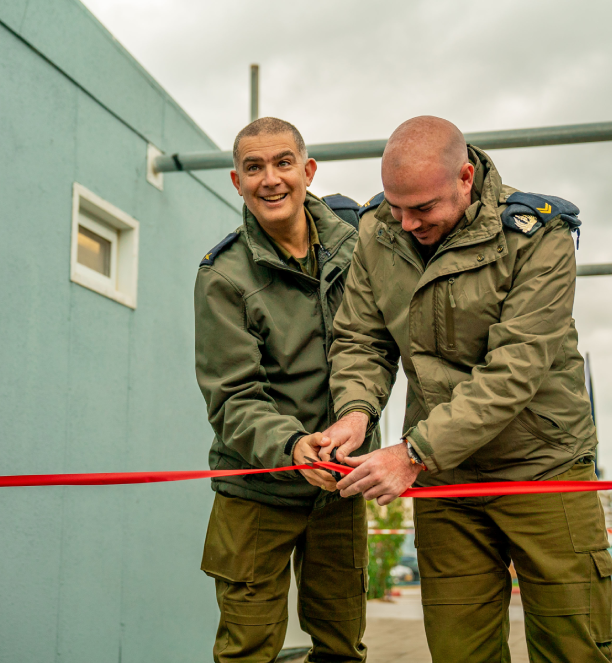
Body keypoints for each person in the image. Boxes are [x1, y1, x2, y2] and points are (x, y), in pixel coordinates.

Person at [321, 116, 612, 662]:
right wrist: (356, 414)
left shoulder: (538, 237)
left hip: (541, 467)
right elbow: (361, 338)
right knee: (460, 653)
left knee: (574, 648)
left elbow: (515, 371)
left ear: (464, 177)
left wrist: (414, 453)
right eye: (395, 206)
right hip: (447, 482)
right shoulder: (375, 231)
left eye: (423, 208)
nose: (406, 223)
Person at [194, 117, 375, 663]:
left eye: (282, 163)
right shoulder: (222, 276)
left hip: (340, 488)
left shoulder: (360, 249)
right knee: (247, 651)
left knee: (343, 649)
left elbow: (375, 351)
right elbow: (233, 398)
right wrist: (294, 447)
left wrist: (353, 430)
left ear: (307, 170)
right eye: (253, 168)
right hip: (256, 492)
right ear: (236, 181)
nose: (269, 179)